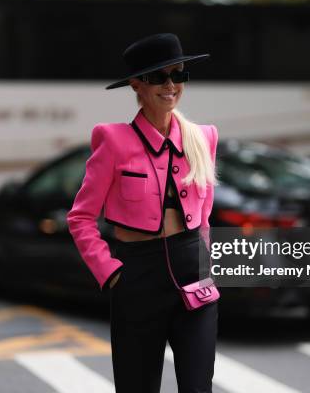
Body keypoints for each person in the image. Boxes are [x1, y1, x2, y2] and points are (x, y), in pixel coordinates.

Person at [67, 33, 219, 393]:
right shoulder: (113, 140)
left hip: (193, 273)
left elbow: (205, 210)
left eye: (178, 74)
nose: (170, 85)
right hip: (136, 278)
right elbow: (80, 218)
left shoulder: (204, 137)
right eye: (158, 77)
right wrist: (110, 273)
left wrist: (204, 256)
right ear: (137, 85)